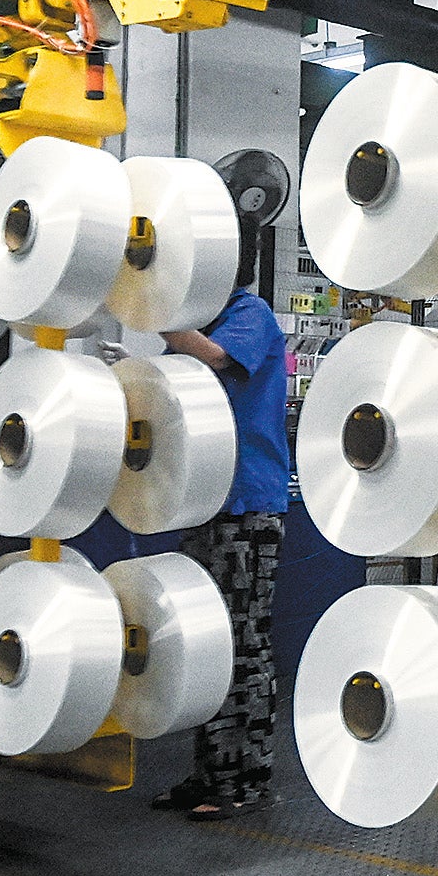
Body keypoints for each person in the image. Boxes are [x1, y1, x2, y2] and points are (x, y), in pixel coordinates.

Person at [150, 219, 291, 821]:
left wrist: (165, 324)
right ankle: (207, 772)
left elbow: (216, 362)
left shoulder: (249, 312)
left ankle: (246, 778)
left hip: (247, 507)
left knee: (243, 642)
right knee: (207, 641)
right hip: (205, 503)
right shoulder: (201, 324)